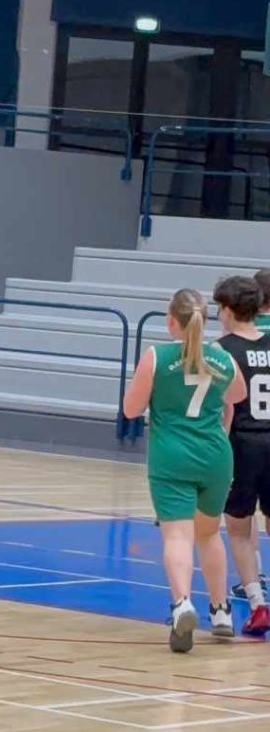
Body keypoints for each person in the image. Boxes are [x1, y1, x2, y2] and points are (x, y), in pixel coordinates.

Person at [123, 286, 245, 653]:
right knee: (209, 534)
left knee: (177, 535)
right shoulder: (222, 358)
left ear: (171, 322)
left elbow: (131, 409)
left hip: (172, 457)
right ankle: (221, 611)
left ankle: (182, 604)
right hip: (216, 457)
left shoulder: (157, 357)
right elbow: (237, 396)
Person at [213, 274, 270, 637]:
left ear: (228, 310)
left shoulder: (220, 350)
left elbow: (220, 406)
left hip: (242, 444)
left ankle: (257, 604)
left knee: (238, 528)